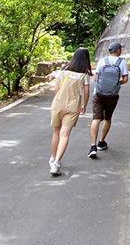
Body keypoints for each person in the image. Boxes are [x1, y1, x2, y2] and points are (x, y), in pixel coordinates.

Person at [48, 47, 92, 176]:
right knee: (65, 134)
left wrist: (60, 99)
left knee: (56, 132)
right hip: (73, 105)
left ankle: (53, 158)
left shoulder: (62, 73)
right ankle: (57, 163)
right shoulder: (85, 75)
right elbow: (86, 92)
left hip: (58, 103)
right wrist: (84, 105)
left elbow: (56, 89)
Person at [88, 42, 129, 159]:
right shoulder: (122, 62)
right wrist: (115, 84)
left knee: (96, 119)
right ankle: (101, 142)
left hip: (98, 93)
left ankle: (93, 147)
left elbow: (96, 78)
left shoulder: (102, 61)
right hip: (112, 95)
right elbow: (125, 79)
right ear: (118, 50)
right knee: (107, 118)